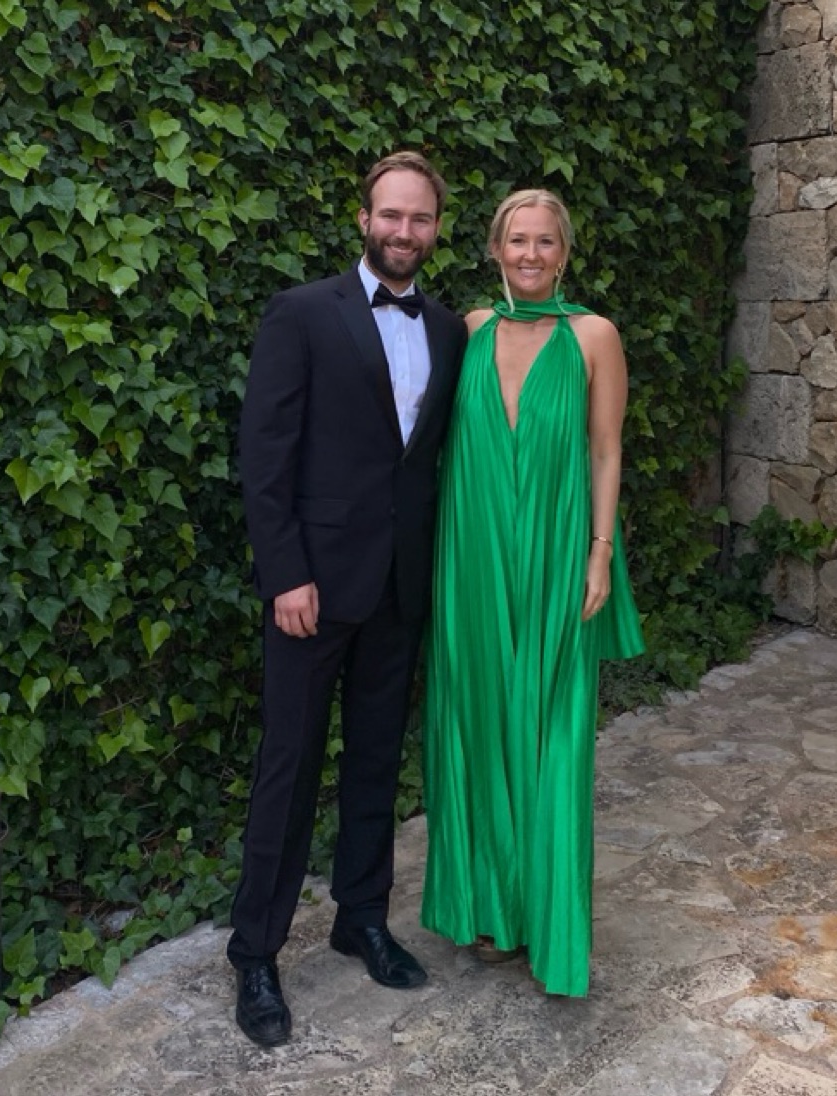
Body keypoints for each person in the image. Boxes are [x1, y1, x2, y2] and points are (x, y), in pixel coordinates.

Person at [230, 150, 467, 1046]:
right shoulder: (301, 312)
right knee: (288, 769)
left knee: (375, 762)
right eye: (391, 215)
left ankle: (360, 917)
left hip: (400, 585)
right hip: (313, 587)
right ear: (364, 219)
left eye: (420, 218)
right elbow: (265, 454)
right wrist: (285, 572)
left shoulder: (449, 329)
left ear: (436, 229)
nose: (404, 231)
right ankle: (256, 952)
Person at [421, 189, 644, 997]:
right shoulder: (472, 330)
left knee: (553, 732)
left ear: (565, 252)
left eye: (546, 241)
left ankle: (548, 926)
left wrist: (598, 554)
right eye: (517, 240)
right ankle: (490, 910)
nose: (530, 254)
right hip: (472, 557)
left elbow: (606, 451)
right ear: (494, 248)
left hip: (555, 554)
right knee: (478, 725)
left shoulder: (594, 336)